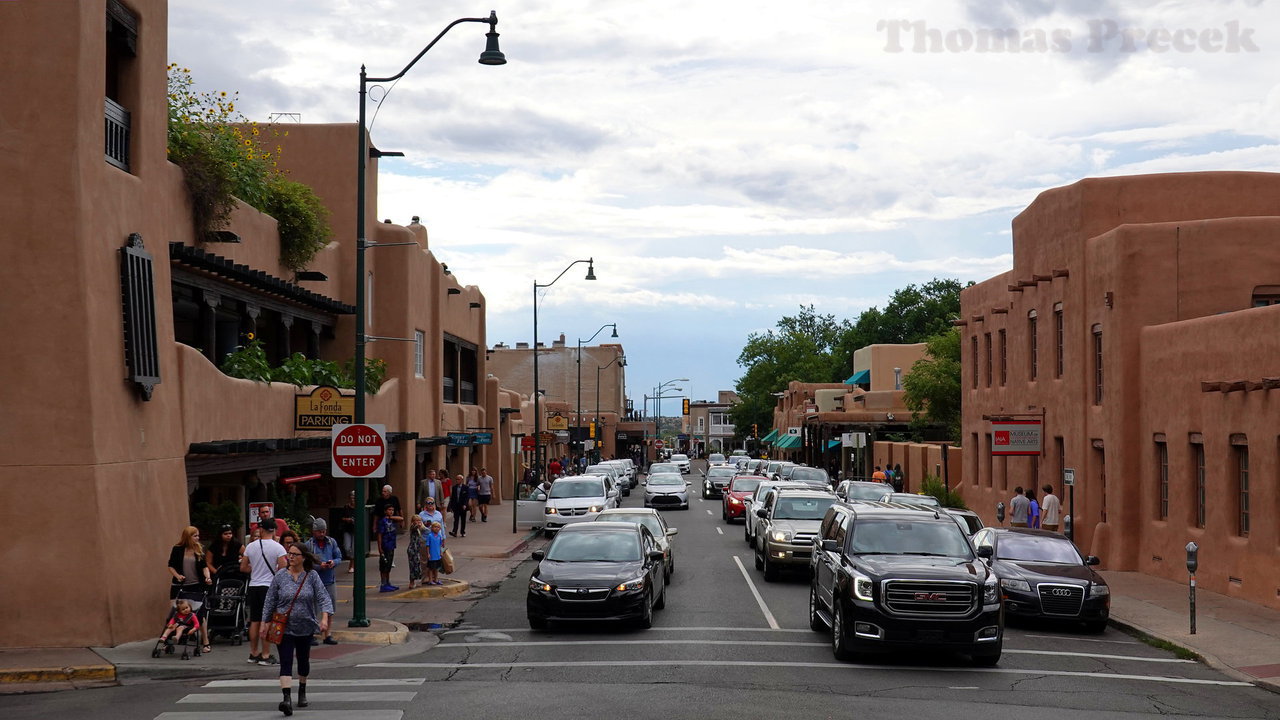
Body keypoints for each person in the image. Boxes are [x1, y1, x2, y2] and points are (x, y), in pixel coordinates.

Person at [262, 544, 333, 716]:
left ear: (303, 557)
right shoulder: (280, 576)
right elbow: (270, 601)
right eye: (289, 554)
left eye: (295, 554)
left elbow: (324, 598)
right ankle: (286, 699)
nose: (290, 557)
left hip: (305, 626)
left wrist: (324, 619)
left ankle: (302, 690)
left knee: (303, 660)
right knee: (286, 661)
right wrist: (265, 623)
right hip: (283, 627)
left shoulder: (312, 576)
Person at [241, 522, 287, 665]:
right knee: (267, 621)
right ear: (273, 531)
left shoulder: (250, 546)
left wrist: (255, 570)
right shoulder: (278, 547)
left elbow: (243, 567)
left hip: (254, 586)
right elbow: (283, 568)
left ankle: (253, 653)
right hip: (269, 587)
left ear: (261, 530)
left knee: (254, 620)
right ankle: (266, 654)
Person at [167, 526, 213, 653]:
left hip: (196, 586)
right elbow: (170, 566)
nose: (197, 538)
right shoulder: (177, 549)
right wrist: (177, 576)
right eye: (195, 536)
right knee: (175, 613)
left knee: (200, 614)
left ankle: (205, 641)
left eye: (198, 536)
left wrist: (207, 577)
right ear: (188, 537)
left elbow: (204, 567)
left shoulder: (199, 549)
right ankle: (168, 639)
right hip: (179, 586)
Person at [303, 519, 342, 645]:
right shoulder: (309, 545)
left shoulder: (331, 542)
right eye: (319, 531)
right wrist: (320, 566)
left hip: (329, 580)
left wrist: (333, 563)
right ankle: (312, 633)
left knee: (330, 608)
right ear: (314, 532)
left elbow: (339, 557)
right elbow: (306, 563)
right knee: (313, 608)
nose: (322, 534)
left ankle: (327, 634)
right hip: (314, 581)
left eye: (323, 531)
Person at [376, 503, 401, 592]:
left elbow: (401, 519)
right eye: (389, 510)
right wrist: (379, 547)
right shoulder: (382, 521)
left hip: (391, 545)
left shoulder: (392, 520)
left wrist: (391, 517)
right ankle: (383, 584)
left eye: (392, 510)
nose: (391, 511)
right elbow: (379, 534)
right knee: (384, 565)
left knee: (389, 565)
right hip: (385, 545)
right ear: (385, 511)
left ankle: (388, 582)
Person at [338, 491, 357, 574]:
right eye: (352, 497)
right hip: (347, 529)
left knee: (353, 549)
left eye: (354, 497)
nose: (353, 499)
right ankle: (352, 561)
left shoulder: (359, 507)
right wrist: (348, 519)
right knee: (347, 547)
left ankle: (352, 565)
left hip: (356, 530)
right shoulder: (346, 507)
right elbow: (341, 518)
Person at [424, 521, 446, 586]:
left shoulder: (439, 536)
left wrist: (441, 552)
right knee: (431, 568)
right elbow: (427, 545)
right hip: (432, 555)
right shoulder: (430, 536)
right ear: (432, 528)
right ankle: (430, 580)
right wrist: (428, 553)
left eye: (438, 527)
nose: (436, 528)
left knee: (437, 568)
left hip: (437, 555)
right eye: (435, 527)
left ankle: (436, 579)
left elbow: (440, 545)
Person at [406, 515, 425, 590]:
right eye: (416, 520)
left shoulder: (420, 529)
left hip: (417, 549)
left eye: (419, 520)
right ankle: (411, 582)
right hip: (412, 549)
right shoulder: (413, 527)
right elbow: (415, 527)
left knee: (416, 565)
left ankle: (414, 581)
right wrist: (418, 524)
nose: (418, 522)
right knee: (413, 566)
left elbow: (426, 530)